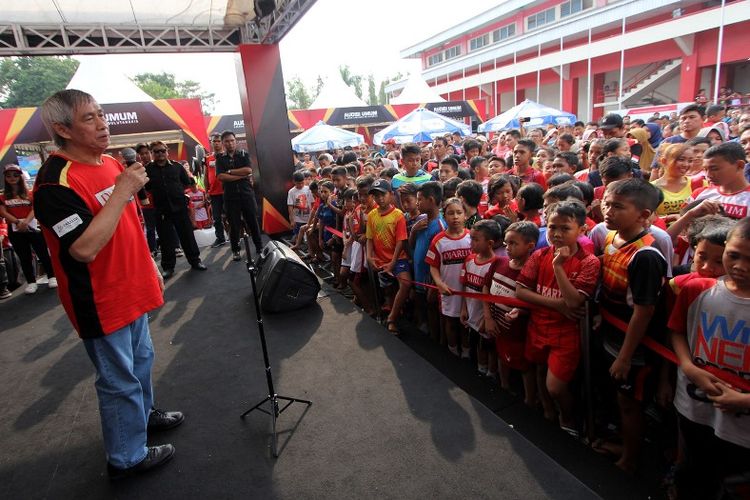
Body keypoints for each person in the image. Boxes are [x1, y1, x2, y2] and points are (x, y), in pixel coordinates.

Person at [33, 89, 182, 479]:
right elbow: (83, 249)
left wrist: (150, 267)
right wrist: (121, 190)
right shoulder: (54, 182)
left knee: (142, 365)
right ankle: (127, 456)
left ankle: (144, 418)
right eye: (89, 118)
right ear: (62, 129)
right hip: (100, 299)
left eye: (102, 115)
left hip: (133, 287)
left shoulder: (111, 161)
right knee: (119, 381)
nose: (102, 124)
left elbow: (130, 225)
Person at [669, 217, 750, 499]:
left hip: (742, 423)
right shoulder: (697, 290)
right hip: (695, 406)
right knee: (693, 470)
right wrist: (689, 367)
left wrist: (744, 400)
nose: (740, 267)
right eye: (734, 255)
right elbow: (678, 331)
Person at [598, 178, 668, 473]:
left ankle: (631, 459)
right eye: (607, 203)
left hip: (633, 349)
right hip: (611, 335)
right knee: (618, 399)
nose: (608, 211)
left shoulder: (646, 256)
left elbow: (644, 311)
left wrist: (626, 356)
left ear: (644, 214)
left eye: (618, 207)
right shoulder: (612, 238)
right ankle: (624, 443)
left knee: (630, 404)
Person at [516, 200, 600, 436]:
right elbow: (521, 290)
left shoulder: (589, 262)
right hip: (538, 326)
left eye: (565, 228)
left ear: (581, 230)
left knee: (555, 386)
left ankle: (568, 420)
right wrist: (557, 305)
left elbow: (574, 303)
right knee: (541, 371)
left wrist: (559, 268)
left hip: (566, 334)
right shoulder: (539, 254)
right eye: (553, 227)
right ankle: (549, 414)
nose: (557, 234)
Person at [485, 220, 539, 403]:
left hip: (518, 332)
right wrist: (488, 317)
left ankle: (529, 401)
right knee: (502, 357)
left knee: (524, 366)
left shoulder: (533, 273)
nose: (507, 248)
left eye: (513, 244)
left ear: (530, 246)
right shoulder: (499, 262)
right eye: (506, 243)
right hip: (497, 326)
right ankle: (504, 387)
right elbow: (486, 289)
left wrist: (521, 312)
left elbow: (535, 305)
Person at [144, 141, 206, 279]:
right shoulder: (148, 169)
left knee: (187, 236)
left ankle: (195, 261)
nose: (160, 153)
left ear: (167, 151)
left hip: (180, 207)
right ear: (152, 153)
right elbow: (147, 188)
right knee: (166, 240)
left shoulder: (177, 167)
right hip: (161, 210)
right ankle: (168, 267)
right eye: (156, 151)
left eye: (162, 150)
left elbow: (186, 183)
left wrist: (177, 192)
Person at [0, 164, 56, 294]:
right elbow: (2, 212)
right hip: (15, 230)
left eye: (15, 175)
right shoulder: (3, 196)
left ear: (20, 176)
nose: (12, 178)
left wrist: (25, 222)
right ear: (5, 178)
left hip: (33, 227)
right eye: (9, 176)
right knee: (24, 256)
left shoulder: (30, 193)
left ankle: (52, 276)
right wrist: (17, 222)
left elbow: (35, 209)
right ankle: (31, 282)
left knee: (42, 252)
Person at [427, 197, 472, 357]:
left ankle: (466, 353)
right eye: (450, 213)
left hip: (468, 292)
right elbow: (433, 266)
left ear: (465, 215)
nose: (455, 217)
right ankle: (453, 351)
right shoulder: (439, 241)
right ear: (444, 216)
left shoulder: (471, 238)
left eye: (459, 213)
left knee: (466, 324)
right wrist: (439, 283)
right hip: (448, 291)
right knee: (450, 322)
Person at [365, 179, 410, 335]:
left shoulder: (398, 215)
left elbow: (400, 241)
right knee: (388, 289)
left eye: (383, 195)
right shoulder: (371, 215)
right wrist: (369, 257)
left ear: (390, 195)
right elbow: (369, 239)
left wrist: (393, 262)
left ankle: (392, 318)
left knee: (405, 284)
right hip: (380, 260)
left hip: (398, 258)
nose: (380, 199)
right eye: (376, 196)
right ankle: (393, 313)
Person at [215, 130, 263, 260]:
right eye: (227, 141)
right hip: (230, 197)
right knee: (234, 225)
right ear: (223, 143)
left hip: (246, 194)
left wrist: (229, 172)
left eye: (232, 140)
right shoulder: (220, 159)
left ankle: (259, 247)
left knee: (252, 222)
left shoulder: (243, 154)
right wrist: (240, 176)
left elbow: (248, 170)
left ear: (235, 141)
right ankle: (236, 250)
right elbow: (221, 177)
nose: (230, 143)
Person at [460, 219, 500, 378]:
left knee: (489, 346)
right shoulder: (469, 259)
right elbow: (465, 286)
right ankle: (481, 369)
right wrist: (463, 308)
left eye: (476, 240)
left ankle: (491, 373)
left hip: (486, 318)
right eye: (471, 238)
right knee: (477, 344)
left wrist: (487, 319)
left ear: (490, 243)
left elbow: (494, 297)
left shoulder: (496, 264)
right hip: (472, 314)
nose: (472, 243)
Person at [410, 181, 446, 340]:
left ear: (431, 200)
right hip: (419, 273)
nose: (417, 203)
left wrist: (433, 283)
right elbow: (412, 245)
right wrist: (413, 231)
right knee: (421, 303)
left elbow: (441, 259)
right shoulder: (421, 220)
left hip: (429, 278)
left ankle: (436, 339)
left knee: (432, 308)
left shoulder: (440, 225)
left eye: (419, 199)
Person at [650, 143, 703, 225]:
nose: (686, 164)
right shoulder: (651, 188)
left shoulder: (700, 184)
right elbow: (647, 219)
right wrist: (670, 218)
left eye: (690, 161)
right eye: (681, 159)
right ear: (664, 161)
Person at [204, 134, 227, 247]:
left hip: (227, 191)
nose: (216, 143)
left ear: (221, 143)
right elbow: (205, 175)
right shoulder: (207, 158)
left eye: (218, 141)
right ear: (211, 143)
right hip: (213, 193)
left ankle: (236, 237)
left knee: (232, 216)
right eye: (214, 141)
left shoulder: (227, 156)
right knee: (216, 218)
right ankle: (220, 238)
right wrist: (206, 191)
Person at [287, 170, 314, 246]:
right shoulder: (291, 192)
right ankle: (297, 247)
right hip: (298, 218)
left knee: (309, 235)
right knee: (297, 235)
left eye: (302, 182)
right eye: (298, 183)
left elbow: (312, 203)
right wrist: (292, 220)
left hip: (308, 217)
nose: (301, 185)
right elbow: (290, 206)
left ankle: (308, 248)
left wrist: (313, 217)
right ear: (294, 182)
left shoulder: (308, 189)